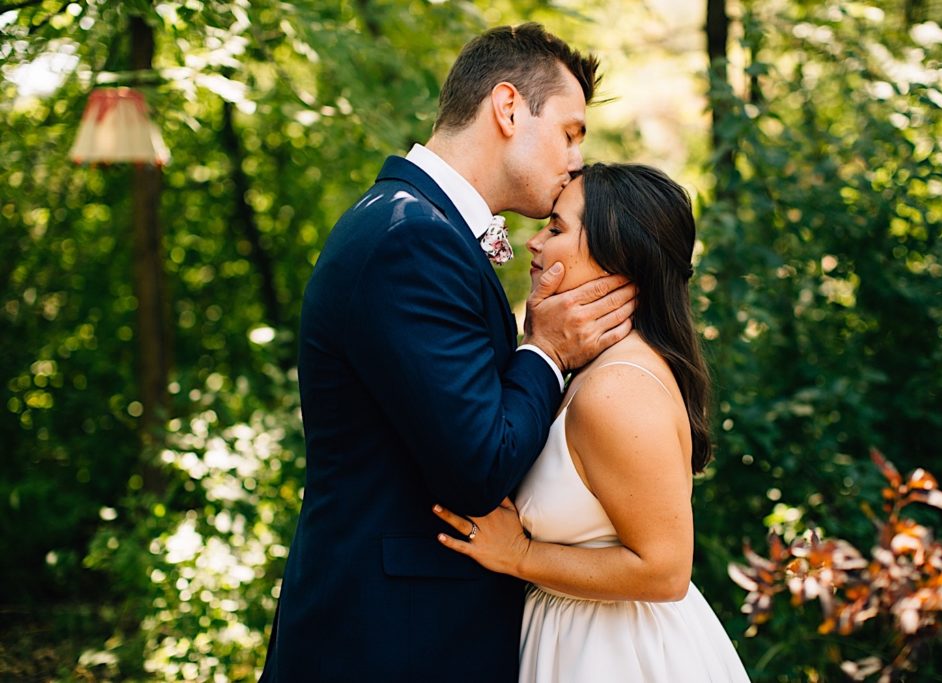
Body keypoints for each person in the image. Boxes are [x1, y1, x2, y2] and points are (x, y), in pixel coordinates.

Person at [259, 24, 638, 682]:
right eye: (571, 132)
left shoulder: (418, 225)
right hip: (388, 645)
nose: (577, 160)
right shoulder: (408, 238)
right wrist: (544, 351)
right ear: (509, 107)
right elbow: (477, 465)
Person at [434, 163, 751, 682]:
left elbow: (665, 570)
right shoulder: (588, 367)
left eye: (557, 228)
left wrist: (519, 555)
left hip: (618, 655)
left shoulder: (617, 389)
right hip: (574, 638)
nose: (534, 242)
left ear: (616, 257)